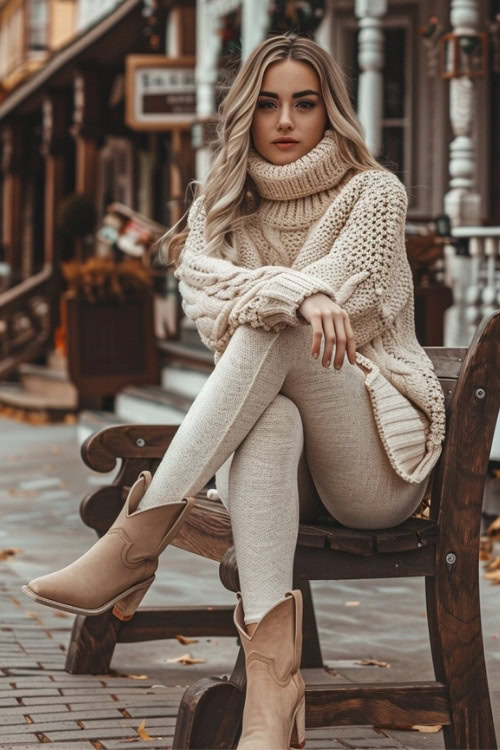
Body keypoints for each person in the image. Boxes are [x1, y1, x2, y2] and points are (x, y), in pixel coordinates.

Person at [22, 33, 446, 749]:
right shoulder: (224, 208)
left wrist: (290, 295)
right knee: (271, 410)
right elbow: (209, 305)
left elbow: (340, 302)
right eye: (268, 104)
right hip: (291, 463)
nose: (284, 121)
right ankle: (272, 698)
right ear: (245, 114)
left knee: (280, 322)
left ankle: (136, 542)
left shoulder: (372, 194)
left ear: (330, 113)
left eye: (304, 104)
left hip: (374, 465)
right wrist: (294, 293)